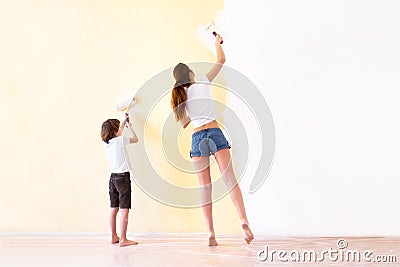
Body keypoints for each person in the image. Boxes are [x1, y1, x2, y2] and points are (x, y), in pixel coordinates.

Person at [170, 35, 254, 246]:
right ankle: (243, 220)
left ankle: (210, 233)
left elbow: (183, 124)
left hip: (197, 138)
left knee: (205, 188)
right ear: (190, 73)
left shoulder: (182, 96)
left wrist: (189, 112)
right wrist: (217, 42)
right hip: (214, 133)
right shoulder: (203, 83)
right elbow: (221, 60)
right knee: (229, 180)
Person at [101, 114, 139, 247]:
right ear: (115, 131)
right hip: (123, 178)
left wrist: (123, 123)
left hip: (113, 178)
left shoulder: (107, 143)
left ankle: (113, 236)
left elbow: (118, 132)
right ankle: (123, 239)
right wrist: (131, 127)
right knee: (124, 209)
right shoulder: (121, 140)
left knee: (114, 209)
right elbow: (135, 139)